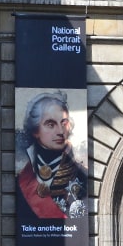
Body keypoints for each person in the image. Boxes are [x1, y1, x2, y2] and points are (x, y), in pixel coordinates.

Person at [17, 91, 88, 219]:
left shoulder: (82, 176)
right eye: (51, 124)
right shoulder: (22, 179)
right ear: (35, 130)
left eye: (64, 123)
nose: (61, 131)